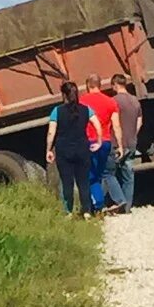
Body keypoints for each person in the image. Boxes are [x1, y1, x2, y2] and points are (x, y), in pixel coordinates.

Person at [46, 81, 103, 217]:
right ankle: (87, 211)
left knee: (67, 182)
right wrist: (99, 141)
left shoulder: (57, 111)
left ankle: (68, 211)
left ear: (63, 95)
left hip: (63, 150)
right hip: (83, 148)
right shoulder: (86, 109)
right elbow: (97, 124)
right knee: (83, 181)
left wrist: (48, 149)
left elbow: (51, 132)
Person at [80, 74, 127, 213]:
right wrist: (120, 145)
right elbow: (116, 125)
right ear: (100, 85)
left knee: (92, 175)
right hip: (106, 142)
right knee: (108, 173)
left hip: (89, 142)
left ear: (88, 85)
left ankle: (96, 206)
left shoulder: (82, 102)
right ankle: (120, 199)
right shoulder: (110, 102)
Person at [111, 74, 142, 211]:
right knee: (129, 175)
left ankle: (117, 201)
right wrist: (133, 133)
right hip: (132, 141)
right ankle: (127, 206)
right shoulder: (135, 101)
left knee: (110, 174)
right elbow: (140, 121)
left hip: (117, 143)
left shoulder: (113, 101)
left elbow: (112, 122)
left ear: (115, 85)